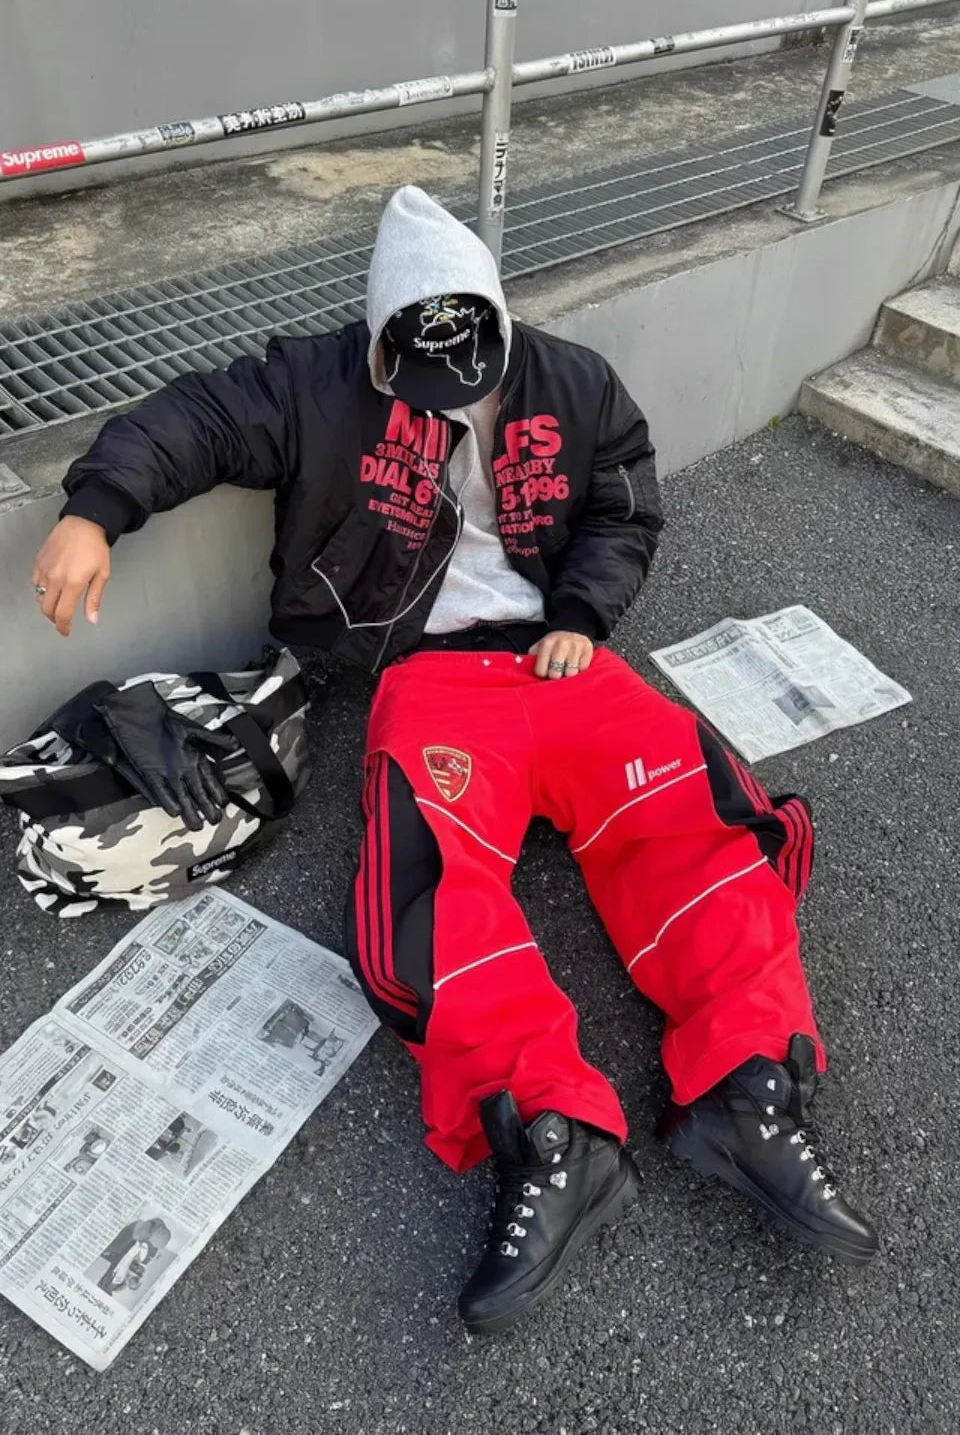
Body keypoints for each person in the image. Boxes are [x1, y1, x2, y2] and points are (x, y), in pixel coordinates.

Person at [31, 184, 877, 1335]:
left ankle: (748, 1089)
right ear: (380, 342)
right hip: (424, 675)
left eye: (474, 365)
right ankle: (554, 1134)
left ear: (500, 321)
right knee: (427, 882)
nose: (456, 395)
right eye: (424, 376)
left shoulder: (572, 381)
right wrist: (95, 509)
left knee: (703, 816)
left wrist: (585, 606)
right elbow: (197, 421)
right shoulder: (317, 382)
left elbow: (627, 498)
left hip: (566, 657)